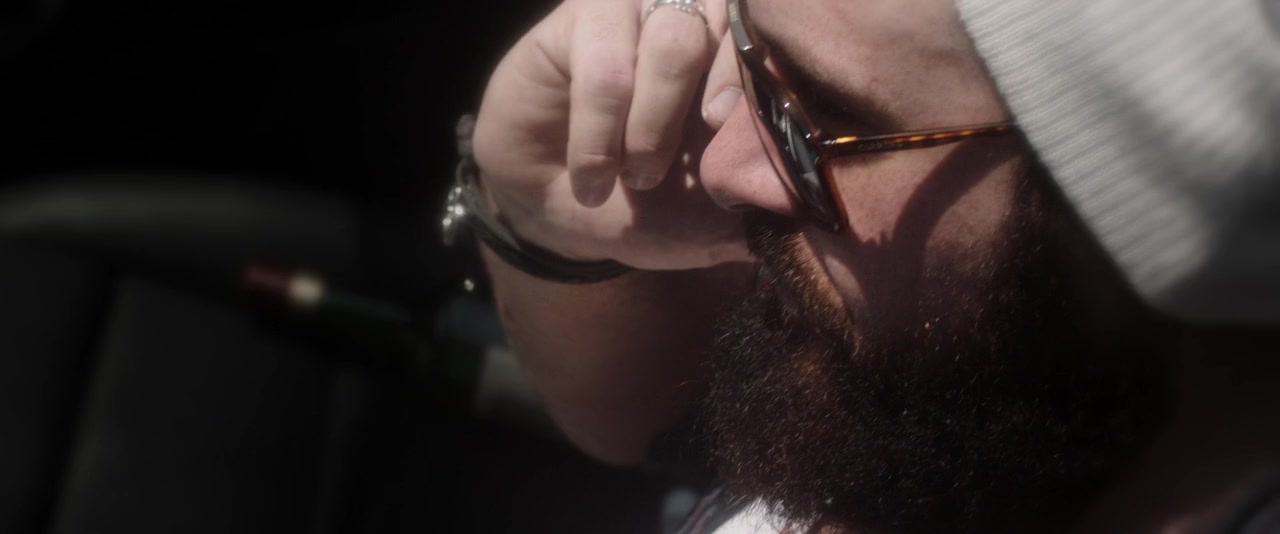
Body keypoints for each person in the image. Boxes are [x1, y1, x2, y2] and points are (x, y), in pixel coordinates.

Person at [453, 0, 1280, 530]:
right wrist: (537, 221)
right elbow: (656, 431)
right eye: (747, 46)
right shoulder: (983, 400)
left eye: (821, 118)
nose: (723, 166)